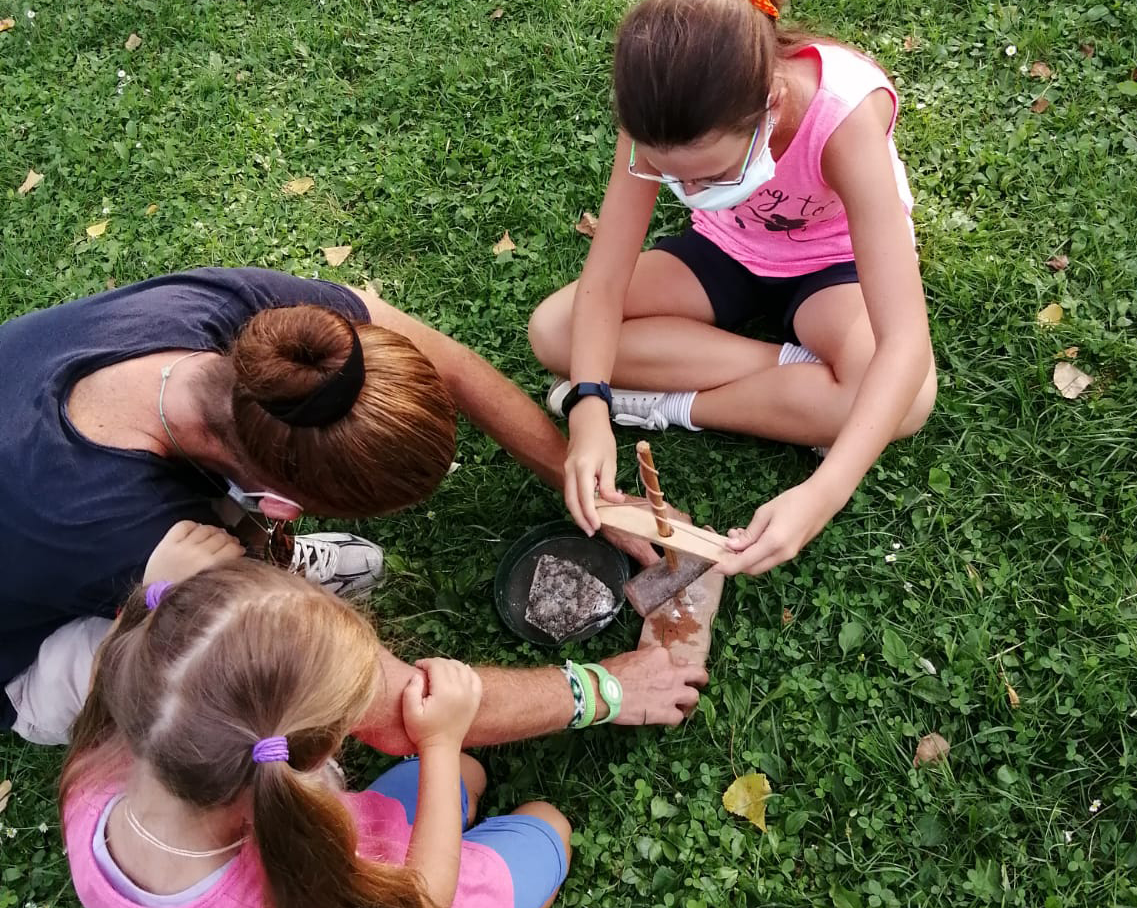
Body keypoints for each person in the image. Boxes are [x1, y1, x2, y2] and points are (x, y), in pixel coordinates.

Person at [1, 267, 699, 745]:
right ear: (281, 503)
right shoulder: (119, 527)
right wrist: (604, 691)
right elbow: (397, 710)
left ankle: (254, 567)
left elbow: (448, 363)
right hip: (27, 653)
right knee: (239, 680)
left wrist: (585, 487)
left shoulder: (264, 334)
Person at [61, 533, 572, 908]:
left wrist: (154, 599)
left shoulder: (90, 787)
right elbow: (421, 907)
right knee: (548, 827)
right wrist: (438, 740)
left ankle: (459, 793)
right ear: (309, 757)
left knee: (464, 777)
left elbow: (117, 678)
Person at [528, 0, 937, 578]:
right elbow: (603, 281)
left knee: (908, 401)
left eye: (713, 175)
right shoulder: (656, 113)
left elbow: (905, 340)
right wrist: (588, 408)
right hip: (726, 252)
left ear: (769, 105)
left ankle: (671, 404)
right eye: (673, 177)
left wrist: (823, 492)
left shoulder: (846, 115)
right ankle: (798, 378)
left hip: (834, 265)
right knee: (555, 331)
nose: (689, 189)